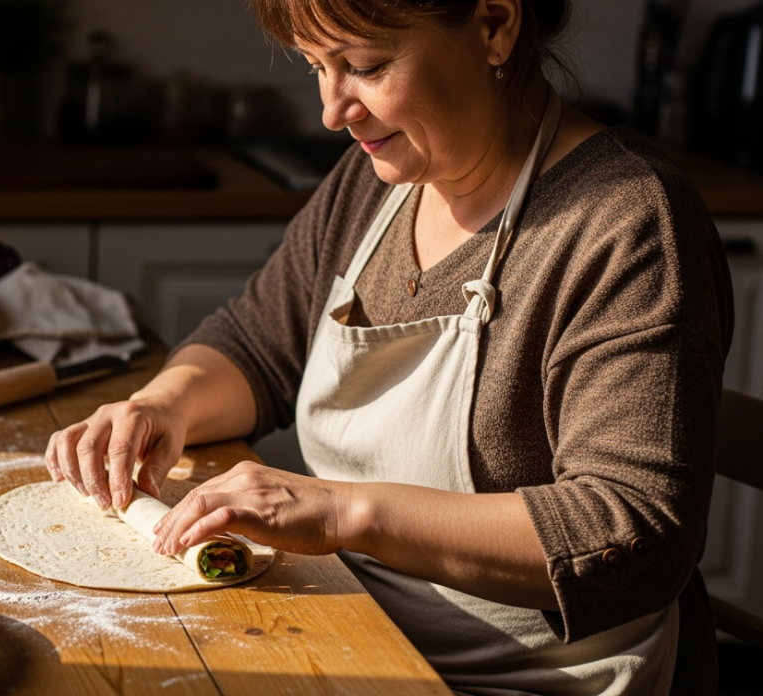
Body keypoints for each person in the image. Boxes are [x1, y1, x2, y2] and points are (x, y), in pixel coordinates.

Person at [43, 1, 734, 693]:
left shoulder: (627, 220)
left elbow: (633, 531)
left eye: (365, 66)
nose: (332, 111)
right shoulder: (372, 183)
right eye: (319, 68)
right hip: (359, 635)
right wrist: (165, 404)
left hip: (537, 679)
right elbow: (257, 343)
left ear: (494, 25)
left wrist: (344, 512)